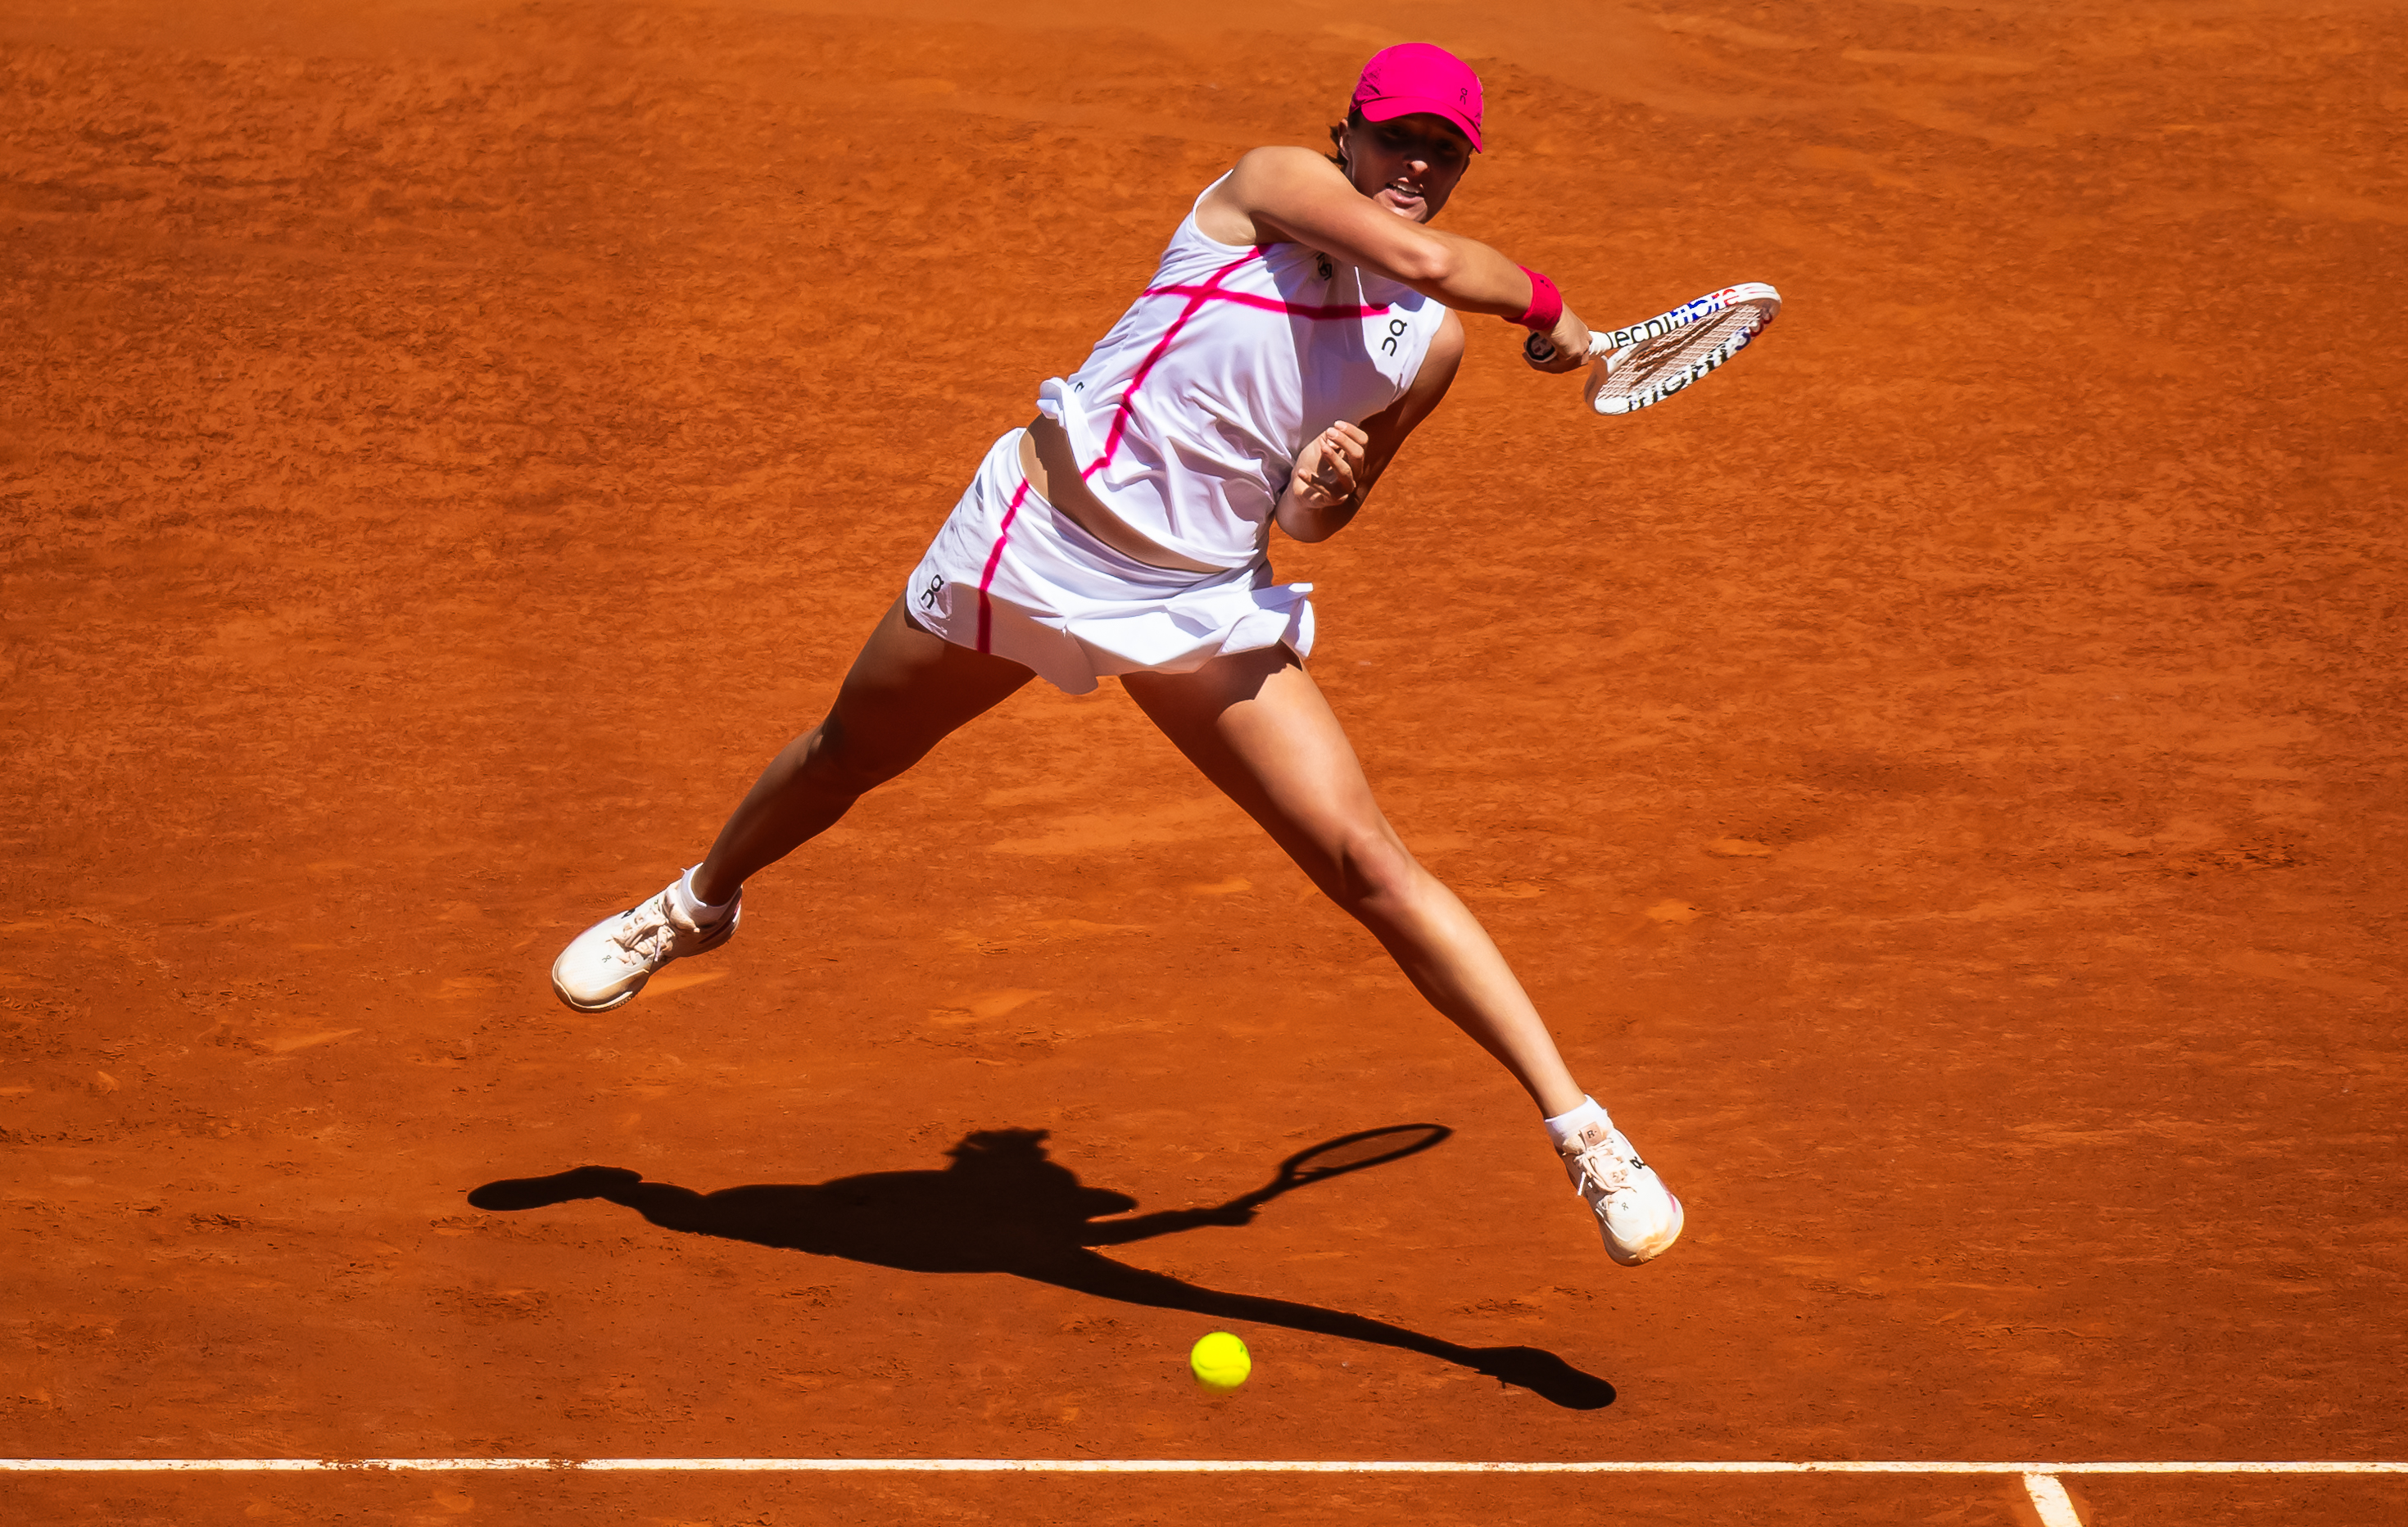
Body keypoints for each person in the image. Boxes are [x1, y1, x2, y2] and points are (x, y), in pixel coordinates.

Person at [550, 43, 1682, 1266]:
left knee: (1370, 864)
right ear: (1347, 135)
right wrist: (1553, 309)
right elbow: (1431, 260)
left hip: (1195, 603)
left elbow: (1312, 522)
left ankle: (1584, 1132)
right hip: (1030, 546)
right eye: (1396, 138)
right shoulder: (1269, 187)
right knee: (848, 754)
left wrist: (1326, 483)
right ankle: (696, 905)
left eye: (1443, 152)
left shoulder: (1429, 348)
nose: (1416, 165)